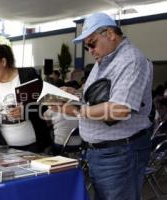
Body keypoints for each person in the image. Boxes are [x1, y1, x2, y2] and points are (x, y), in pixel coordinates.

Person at [50, 13, 153, 199]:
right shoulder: (104, 60)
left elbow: (119, 109)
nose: (90, 50)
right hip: (103, 153)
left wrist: (75, 111)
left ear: (110, 34)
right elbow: (95, 97)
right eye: (87, 46)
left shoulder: (131, 60)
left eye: (92, 43)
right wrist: (73, 94)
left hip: (120, 154)